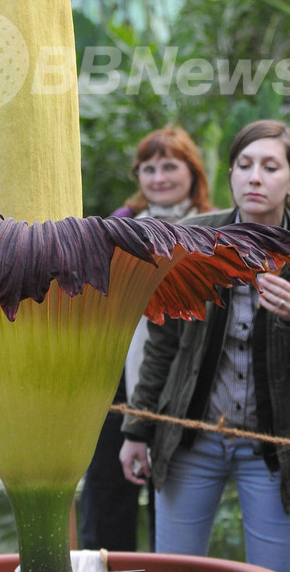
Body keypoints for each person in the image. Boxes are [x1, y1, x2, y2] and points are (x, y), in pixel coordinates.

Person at [120, 119, 290, 572]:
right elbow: (161, 346)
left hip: (274, 446)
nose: (254, 177)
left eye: (270, 167)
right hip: (190, 439)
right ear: (229, 175)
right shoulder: (192, 240)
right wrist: (136, 429)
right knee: (173, 567)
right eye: (244, 165)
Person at [79, 125, 212, 551]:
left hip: (187, 377)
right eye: (148, 168)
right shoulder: (121, 225)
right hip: (118, 370)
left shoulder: (214, 230)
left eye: (169, 166)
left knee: (171, 492)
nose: (158, 177)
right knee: (105, 489)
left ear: (192, 171)